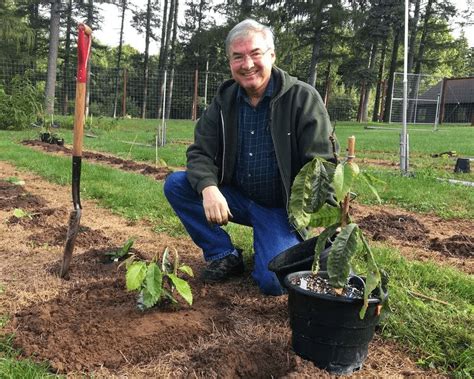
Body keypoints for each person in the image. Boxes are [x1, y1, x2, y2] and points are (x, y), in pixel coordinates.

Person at [164, 19, 337, 296]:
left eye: (255, 53)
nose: (247, 64)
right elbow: (199, 152)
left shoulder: (302, 99)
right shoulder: (224, 102)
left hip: (279, 209)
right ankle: (223, 253)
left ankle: (278, 242)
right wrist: (209, 189)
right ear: (230, 62)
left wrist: (304, 218)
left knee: (274, 283)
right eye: (238, 57)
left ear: (272, 55)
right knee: (176, 184)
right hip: (237, 198)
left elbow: (322, 165)